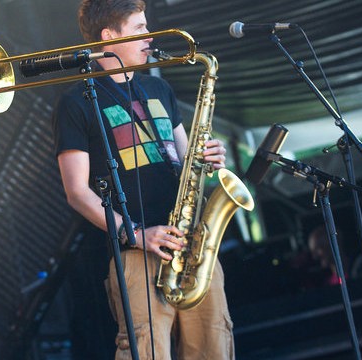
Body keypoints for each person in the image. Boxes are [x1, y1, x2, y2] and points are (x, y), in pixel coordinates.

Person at [52, 1, 232, 359]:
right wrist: (135, 234)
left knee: (215, 346)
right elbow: (76, 192)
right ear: (109, 36)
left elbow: (185, 162)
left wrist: (209, 158)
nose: (149, 38)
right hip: (135, 254)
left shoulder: (159, 90)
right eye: (139, 29)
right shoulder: (76, 101)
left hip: (191, 248)